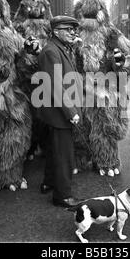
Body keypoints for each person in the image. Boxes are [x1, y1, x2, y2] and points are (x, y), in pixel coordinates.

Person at [36, 15, 83, 208]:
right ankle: (62, 195)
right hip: (58, 113)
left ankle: (48, 182)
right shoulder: (50, 51)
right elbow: (55, 85)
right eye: (68, 30)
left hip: (57, 111)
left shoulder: (60, 48)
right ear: (56, 32)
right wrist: (70, 112)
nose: (73, 33)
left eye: (74, 30)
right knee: (63, 154)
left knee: (54, 150)